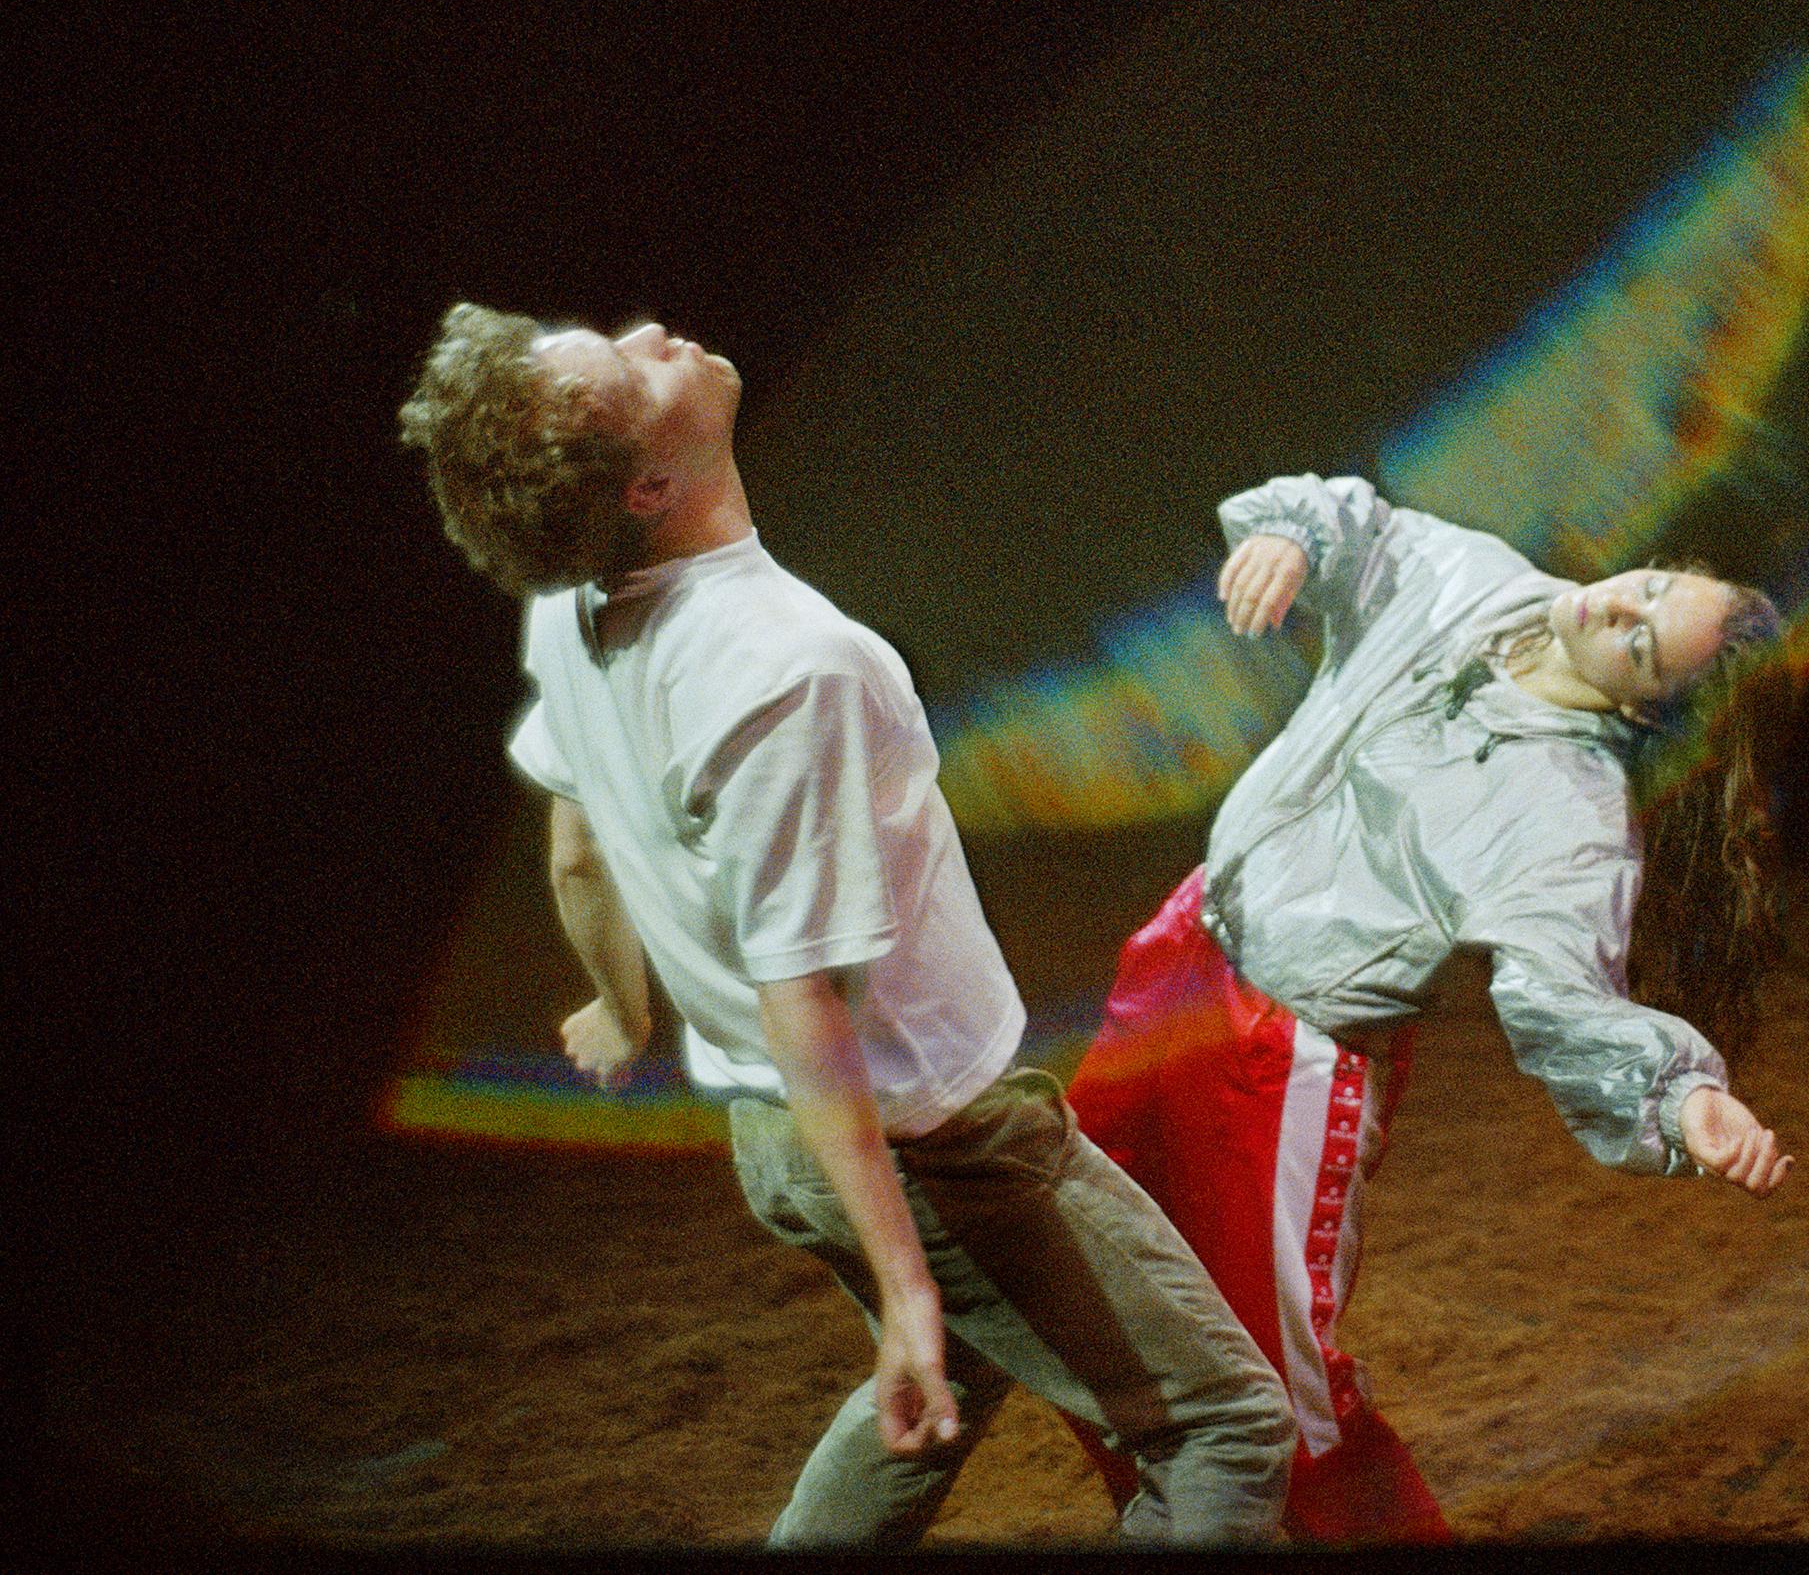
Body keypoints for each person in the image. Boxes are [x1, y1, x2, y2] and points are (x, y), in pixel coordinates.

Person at [397, 302, 1292, 1549]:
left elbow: (576, 848)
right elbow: (802, 997)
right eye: (633, 364)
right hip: (930, 1142)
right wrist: (913, 1279)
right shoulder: (790, 667)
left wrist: (623, 1002)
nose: (657, 330)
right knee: (1223, 1429)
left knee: (940, 1380)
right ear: (652, 482)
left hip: (782, 1140)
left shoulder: (569, 602)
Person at [1063, 472, 1797, 1543]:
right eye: (1645, 587)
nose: (1618, 607)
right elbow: (1357, 520)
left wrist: (1680, 1098)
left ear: (1644, 705)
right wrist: (1294, 539)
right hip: (1178, 958)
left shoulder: (1569, 816)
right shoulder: (1473, 574)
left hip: (1290, 1060)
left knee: (1282, 1400)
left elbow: (1564, 994)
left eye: (1642, 643)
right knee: (1076, 1277)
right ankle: (1177, 1512)